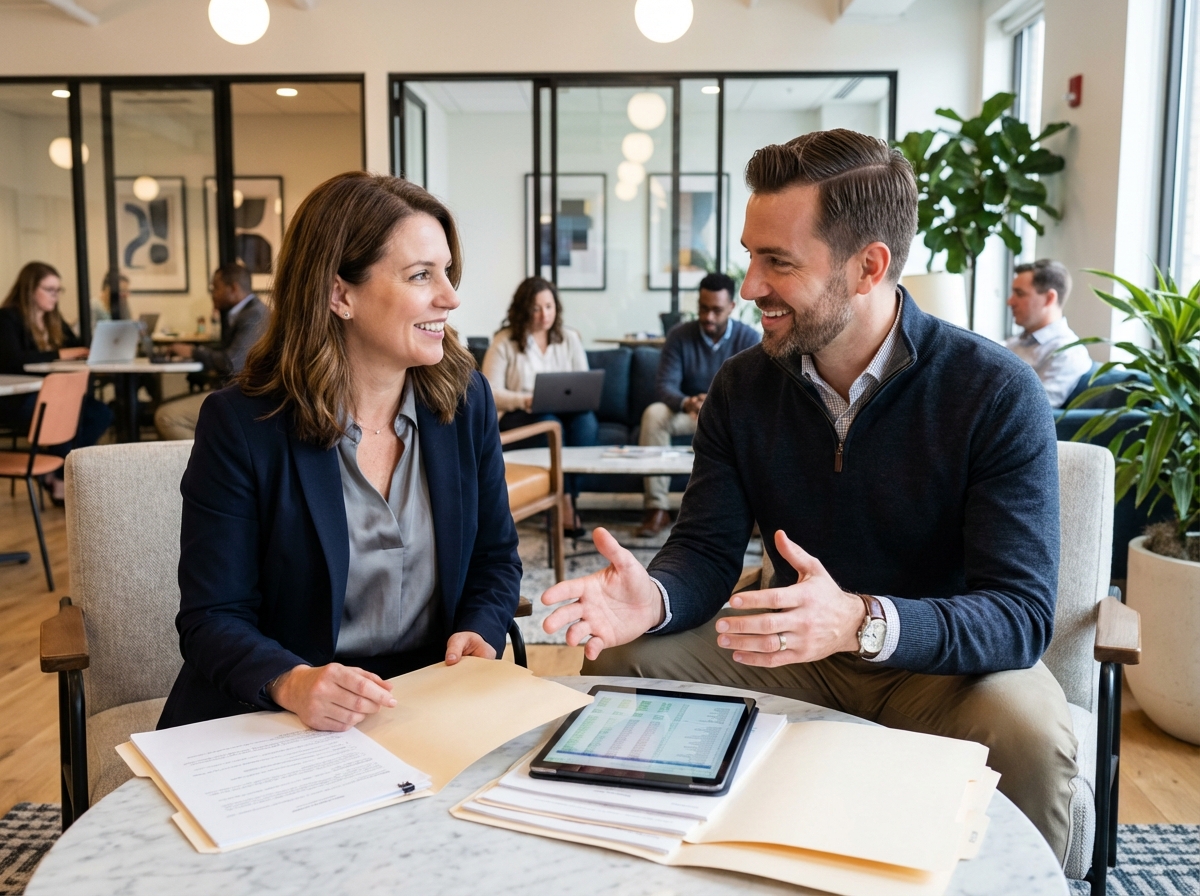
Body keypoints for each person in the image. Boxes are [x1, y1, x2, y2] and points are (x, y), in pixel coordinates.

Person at [541, 129, 1078, 864]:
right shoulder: (741, 386)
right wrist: (655, 600)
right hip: (786, 645)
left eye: (777, 262)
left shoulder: (993, 391)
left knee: (1030, 733)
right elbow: (703, 549)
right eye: (751, 255)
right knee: (624, 663)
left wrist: (860, 620)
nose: (750, 286)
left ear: (868, 266)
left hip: (938, 667)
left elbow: (1018, 616)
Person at [157, 173, 521, 730]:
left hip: (428, 696)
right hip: (285, 714)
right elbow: (213, 616)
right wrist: (293, 681)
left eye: (446, 272)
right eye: (421, 275)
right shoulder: (243, 425)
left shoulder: (464, 400)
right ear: (339, 294)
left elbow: (495, 557)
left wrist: (481, 626)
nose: (450, 297)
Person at [635, 272, 760, 536]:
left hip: (729, 415)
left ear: (731, 308)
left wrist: (717, 404)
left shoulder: (749, 338)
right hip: (689, 412)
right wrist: (688, 402)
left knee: (760, 420)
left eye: (716, 310)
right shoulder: (680, 336)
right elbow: (665, 385)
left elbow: (755, 390)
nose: (708, 317)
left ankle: (755, 513)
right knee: (654, 414)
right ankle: (656, 508)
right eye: (703, 309)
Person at [482, 276, 597, 533]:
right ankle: (564, 506)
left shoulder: (569, 338)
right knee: (550, 425)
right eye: (536, 308)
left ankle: (567, 500)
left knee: (586, 422)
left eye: (549, 306)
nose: (544, 315)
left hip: (565, 411)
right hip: (521, 414)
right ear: (523, 309)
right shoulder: (504, 341)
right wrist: (524, 399)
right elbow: (489, 392)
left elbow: (583, 381)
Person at [0, 262, 114, 502]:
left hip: (51, 396)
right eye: (49, 289)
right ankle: (62, 479)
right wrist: (61, 354)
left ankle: (54, 472)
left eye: (58, 291)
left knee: (101, 413)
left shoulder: (53, 319)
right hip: (16, 398)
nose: (55, 296)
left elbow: (76, 345)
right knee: (64, 413)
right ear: (30, 289)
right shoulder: (7, 318)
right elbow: (13, 360)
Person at [154, 262, 269, 440]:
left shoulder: (253, 315)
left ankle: (203, 462)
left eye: (216, 288)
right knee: (167, 406)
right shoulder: (247, 312)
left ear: (233, 289)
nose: (212, 294)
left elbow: (232, 363)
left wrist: (193, 352)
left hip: (247, 398)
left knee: (166, 416)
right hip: (239, 393)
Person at [1005, 259, 1093, 408]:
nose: (1010, 302)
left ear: (1049, 298)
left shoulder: (1067, 351)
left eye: (1019, 294)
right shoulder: (1014, 343)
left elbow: (1036, 410)